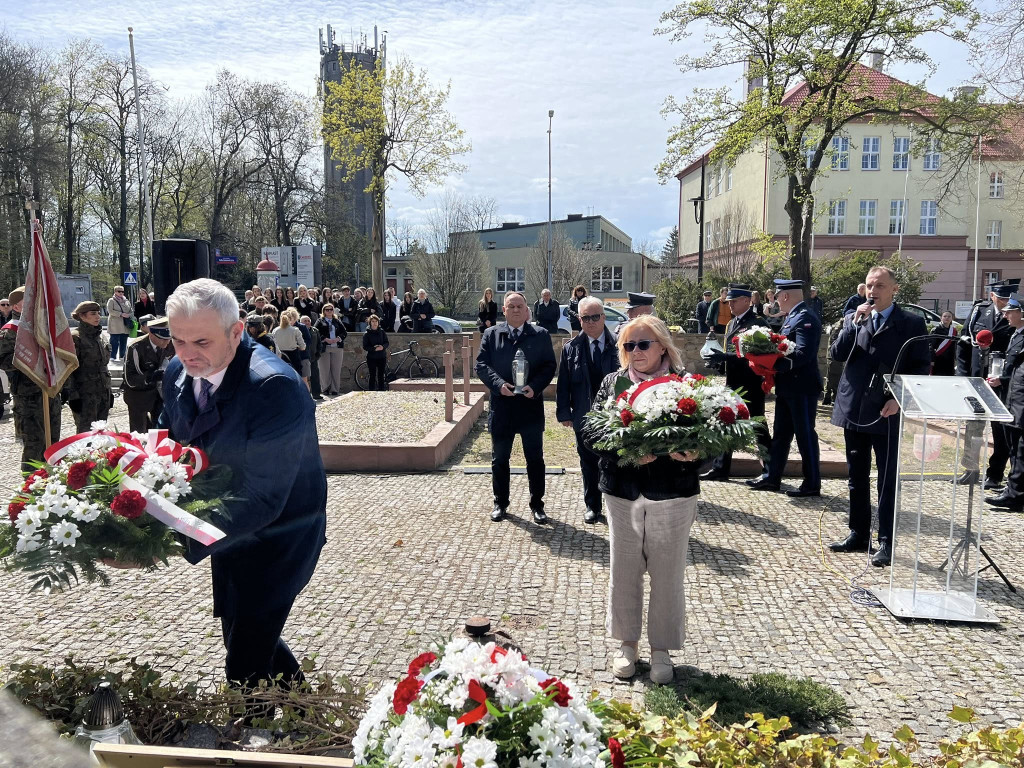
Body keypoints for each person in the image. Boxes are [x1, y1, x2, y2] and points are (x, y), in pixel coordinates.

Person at [159, 278, 327, 710]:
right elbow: (167, 442)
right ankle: (305, 714)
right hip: (224, 527)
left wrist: (168, 539)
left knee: (245, 658)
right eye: (177, 340)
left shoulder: (274, 388)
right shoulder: (179, 371)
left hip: (280, 535)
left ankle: (255, 738)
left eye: (201, 341)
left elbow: (265, 498)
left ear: (237, 332)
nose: (187, 352)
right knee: (247, 634)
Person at [581, 314, 701, 684]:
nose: (635, 352)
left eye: (643, 344)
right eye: (628, 346)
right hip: (623, 493)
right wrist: (625, 455)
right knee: (624, 570)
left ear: (662, 346)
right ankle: (627, 645)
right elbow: (591, 433)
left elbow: (713, 437)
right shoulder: (611, 384)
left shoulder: (685, 385)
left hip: (673, 493)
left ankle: (661, 650)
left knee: (667, 575)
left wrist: (697, 455)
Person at [828, 266, 931, 566]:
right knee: (855, 476)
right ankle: (858, 533)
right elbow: (837, 353)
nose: (873, 291)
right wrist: (852, 324)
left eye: (880, 286)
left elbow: (921, 366)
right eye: (870, 285)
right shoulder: (855, 318)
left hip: (887, 409)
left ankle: (885, 540)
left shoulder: (911, 323)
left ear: (894, 289)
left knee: (887, 479)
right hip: (855, 408)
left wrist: (899, 400)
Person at [475, 291, 557, 524]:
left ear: (527, 309)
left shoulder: (539, 334)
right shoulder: (491, 335)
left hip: (530, 406)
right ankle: (500, 503)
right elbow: (481, 365)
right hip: (502, 407)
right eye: (511, 306)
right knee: (500, 458)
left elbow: (549, 366)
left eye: (520, 306)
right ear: (503, 310)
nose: (516, 310)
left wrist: (536, 386)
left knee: (535, 459)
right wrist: (499, 385)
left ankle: (537, 505)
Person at [746, 279, 823, 497]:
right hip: (788, 386)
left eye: (778, 296)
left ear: (785, 296)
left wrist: (771, 364)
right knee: (781, 435)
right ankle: (772, 477)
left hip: (802, 387)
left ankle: (812, 483)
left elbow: (803, 354)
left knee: (805, 435)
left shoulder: (805, 317)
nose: (776, 300)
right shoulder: (794, 317)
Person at [556, 296, 618, 523]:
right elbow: (563, 383)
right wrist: (564, 412)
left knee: (613, 462)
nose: (591, 322)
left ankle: (615, 506)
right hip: (584, 415)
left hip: (614, 417)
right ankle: (593, 505)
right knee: (588, 462)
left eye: (595, 317)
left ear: (603, 317)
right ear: (579, 320)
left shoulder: (619, 346)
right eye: (585, 318)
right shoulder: (570, 348)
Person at [700, 286, 772, 481]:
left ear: (747, 301)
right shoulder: (732, 323)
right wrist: (720, 363)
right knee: (727, 422)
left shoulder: (758, 324)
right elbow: (730, 348)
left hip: (751, 382)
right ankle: (721, 468)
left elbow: (756, 355)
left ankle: (770, 471)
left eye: (734, 301)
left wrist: (726, 357)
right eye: (729, 301)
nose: (729, 304)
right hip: (733, 381)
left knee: (757, 425)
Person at [0, 286, 63, 469]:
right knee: (34, 447)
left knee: (54, 443)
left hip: (50, 392)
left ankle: (53, 487)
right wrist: (32, 357)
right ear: (17, 308)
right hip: (28, 397)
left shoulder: (44, 330)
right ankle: (31, 490)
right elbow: (3, 361)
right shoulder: (10, 331)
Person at [985, 295, 1024, 511]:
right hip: (1012, 397)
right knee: (1013, 446)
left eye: (1010, 312)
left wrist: (1004, 379)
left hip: (1020, 399)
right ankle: (1013, 488)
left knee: (1020, 449)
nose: (1005, 315)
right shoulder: (1015, 334)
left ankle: (1016, 494)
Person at [65, 301, 112, 433]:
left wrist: (108, 391)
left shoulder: (101, 337)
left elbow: (104, 366)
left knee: (102, 431)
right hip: (85, 393)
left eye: (98, 313)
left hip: (103, 391)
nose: (98, 317)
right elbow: (69, 370)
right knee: (86, 433)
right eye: (93, 314)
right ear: (82, 316)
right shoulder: (76, 337)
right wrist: (73, 395)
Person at [121, 316, 174, 432]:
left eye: (168, 338)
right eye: (163, 339)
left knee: (161, 431)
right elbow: (129, 378)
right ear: (151, 334)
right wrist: (149, 377)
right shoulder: (135, 347)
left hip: (159, 395)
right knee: (139, 432)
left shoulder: (171, 344)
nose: (167, 342)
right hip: (138, 396)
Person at [315, 303, 347, 396]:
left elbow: (344, 332)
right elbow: (316, 332)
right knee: (324, 369)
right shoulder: (320, 321)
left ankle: (335, 389)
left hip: (337, 347)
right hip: (325, 348)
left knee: (336, 370)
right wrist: (325, 339)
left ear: (333, 311)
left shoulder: (337, 321)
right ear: (324, 311)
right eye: (327, 310)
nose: (329, 311)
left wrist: (338, 339)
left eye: (331, 310)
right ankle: (325, 388)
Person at [284, 307, 312, 390]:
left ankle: (307, 399)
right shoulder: (284, 328)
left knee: (304, 379)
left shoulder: (302, 327)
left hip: (302, 356)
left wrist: (300, 346)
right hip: (290, 357)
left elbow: (308, 340)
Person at [272, 307, 306, 376]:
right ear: (290, 319)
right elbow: (303, 347)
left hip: (280, 356)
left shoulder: (275, 330)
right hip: (293, 356)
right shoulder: (295, 330)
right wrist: (298, 347)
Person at [362, 314, 390, 390]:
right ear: (370, 323)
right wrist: (374, 349)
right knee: (372, 375)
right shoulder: (367, 334)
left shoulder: (382, 332)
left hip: (382, 356)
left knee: (381, 375)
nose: (374, 323)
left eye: (376, 321)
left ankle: (381, 390)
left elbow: (386, 342)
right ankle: (371, 390)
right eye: (373, 321)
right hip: (372, 357)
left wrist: (383, 347)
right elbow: (365, 346)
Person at [106, 285, 134, 361]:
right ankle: (112, 356)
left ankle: (122, 356)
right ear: (115, 292)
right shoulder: (111, 300)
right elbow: (110, 311)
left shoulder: (126, 301)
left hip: (125, 324)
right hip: (115, 325)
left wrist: (129, 315)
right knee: (114, 341)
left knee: (123, 341)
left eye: (122, 291)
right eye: (119, 291)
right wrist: (121, 314)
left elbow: (131, 311)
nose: (121, 293)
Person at [930, 310, 958, 376]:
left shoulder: (954, 331)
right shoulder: (936, 329)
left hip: (949, 360)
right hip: (938, 359)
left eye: (949, 316)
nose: (947, 318)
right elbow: (931, 346)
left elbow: (955, 346)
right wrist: (932, 360)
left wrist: (955, 359)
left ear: (952, 318)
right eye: (945, 316)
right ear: (941, 318)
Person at [301, 315, 322, 398]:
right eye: (304, 321)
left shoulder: (315, 330)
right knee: (303, 377)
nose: (307, 322)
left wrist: (318, 353)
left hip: (313, 357)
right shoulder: (298, 330)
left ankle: (316, 394)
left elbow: (319, 343)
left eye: (308, 320)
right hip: (303, 357)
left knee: (315, 376)